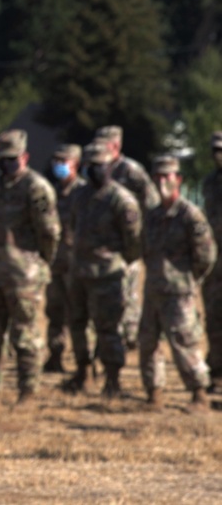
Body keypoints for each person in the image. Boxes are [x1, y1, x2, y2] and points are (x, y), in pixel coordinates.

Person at [0, 129, 60, 405]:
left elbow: (49, 233)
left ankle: (28, 391)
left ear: (25, 157)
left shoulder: (36, 187)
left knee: (25, 334)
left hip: (24, 274)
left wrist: (38, 263)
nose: (8, 164)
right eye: (4, 158)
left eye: (13, 159)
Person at [62, 141, 142, 398]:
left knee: (108, 329)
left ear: (109, 167)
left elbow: (134, 241)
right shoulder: (80, 196)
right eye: (91, 166)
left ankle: (112, 379)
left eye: (100, 166)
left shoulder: (121, 200)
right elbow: (73, 227)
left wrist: (119, 263)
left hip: (108, 275)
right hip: (80, 272)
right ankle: (83, 371)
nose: (95, 170)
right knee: (77, 324)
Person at [140, 155, 217, 411]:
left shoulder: (189, 216)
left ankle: (199, 394)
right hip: (153, 289)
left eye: (168, 176)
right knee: (148, 343)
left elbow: (206, 255)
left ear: (178, 180)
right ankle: (154, 394)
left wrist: (189, 278)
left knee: (184, 344)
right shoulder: (151, 216)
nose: (163, 181)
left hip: (179, 291)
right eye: (158, 176)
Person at [94, 125, 160, 350]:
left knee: (129, 291)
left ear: (116, 145)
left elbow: (152, 202)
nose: (100, 148)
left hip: (129, 239)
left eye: (105, 144)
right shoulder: (97, 169)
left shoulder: (131, 170)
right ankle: (116, 333)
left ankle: (131, 336)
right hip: (105, 242)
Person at [44, 144, 86, 374]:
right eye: (55, 161)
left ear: (75, 164)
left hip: (77, 264)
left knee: (79, 313)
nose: (58, 166)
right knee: (54, 311)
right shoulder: (51, 192)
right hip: (55, 262)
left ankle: (84, 362)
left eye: (64, 161)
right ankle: (55, 355)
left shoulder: (83, 193)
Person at [200, 131, 222, 392]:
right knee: (214, 319)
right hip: (215, 263)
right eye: (215, 150)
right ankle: (217, 372)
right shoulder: (208, 184)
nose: (218, 155)